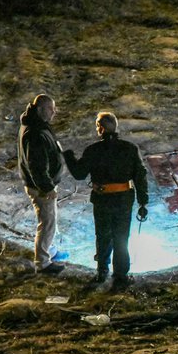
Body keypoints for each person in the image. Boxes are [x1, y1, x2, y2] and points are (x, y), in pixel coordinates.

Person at [63, 112, 148, 291]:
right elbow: (140, 176)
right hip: (124, 199)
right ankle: (121, 274)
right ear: (115, 128)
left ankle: (102, 270)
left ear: (100, 129)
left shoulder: (93, 150)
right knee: (121, 237)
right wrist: (142, 202)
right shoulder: (130, 149)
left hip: (102, 199)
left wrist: (69, 156)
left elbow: (79, 174)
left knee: (102, 235)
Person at [17, 94, 67, 274]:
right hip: (40, 187)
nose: (54, 113)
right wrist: (47, 187)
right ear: (40, 109)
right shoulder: (35, 133)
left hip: (41, 184)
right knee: (46, 223)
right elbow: (36, 165)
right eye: (51, 109)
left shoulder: (35, 124)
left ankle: (49, 250)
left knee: (49, 220)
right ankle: (43, 263)